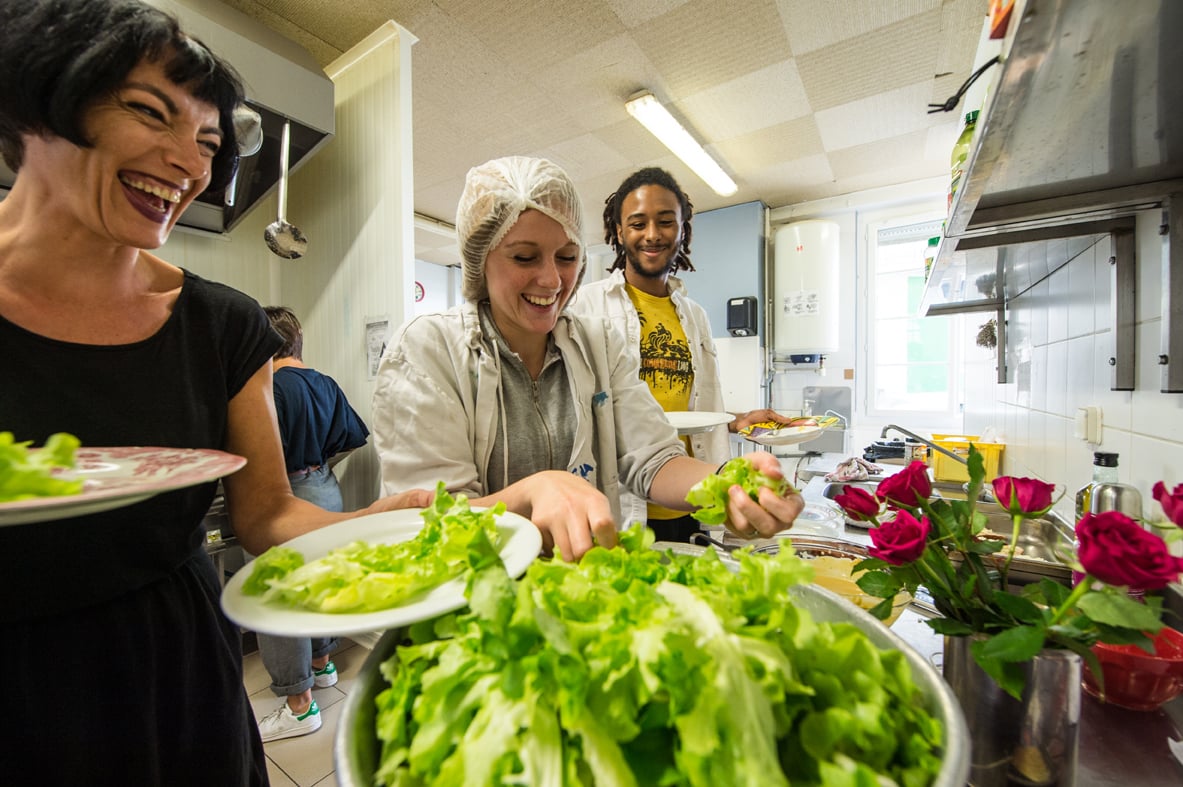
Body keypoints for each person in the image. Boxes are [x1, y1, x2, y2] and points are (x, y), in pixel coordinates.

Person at [0, 2, 429, 784]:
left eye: (206, 142)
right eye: (147, 112)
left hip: (183, 671)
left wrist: (378, 522)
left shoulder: (222, 325)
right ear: (39, 101)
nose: (189, 164)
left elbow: (266, 516)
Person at [371, 156, 804, 558]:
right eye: (524, 257)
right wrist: (531, 493)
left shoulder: (599, 342)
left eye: (567, 257)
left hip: (581, 596)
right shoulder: (428, 351)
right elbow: (429, 518)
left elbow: (654, 459)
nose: (551, 279)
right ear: (479, 258)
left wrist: (727, 483)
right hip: (476, 602)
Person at [569, 167, 795, 541]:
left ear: (683, 229)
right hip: (621, 506)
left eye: (665, 222)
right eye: (638, 223)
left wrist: (737, 420)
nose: (652, 234)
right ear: (620, 231)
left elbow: (691, 405)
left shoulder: (695, 315)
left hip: (693, 498)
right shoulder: (586, 306)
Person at [252, 306, 370, 742]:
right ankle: (322, 667)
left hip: (286, 498)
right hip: (325, 488)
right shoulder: (324, 382)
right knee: (317, 589)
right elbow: (354, 436)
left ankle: (298, 706)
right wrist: (319, 471)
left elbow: (260, 460)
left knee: (276, 597)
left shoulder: (269, 388)